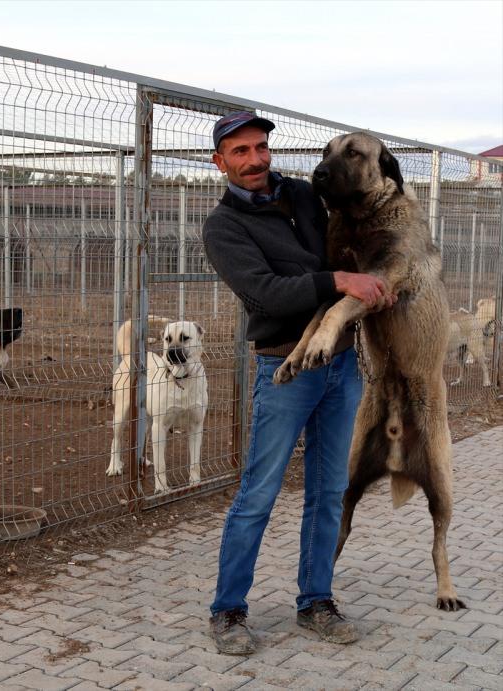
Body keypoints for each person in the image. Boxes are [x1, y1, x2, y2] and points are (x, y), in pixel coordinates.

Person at [202, 111, 395, 655]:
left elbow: (357, 225)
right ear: (220, 162)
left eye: (260, 147)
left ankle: (315, 601)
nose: (254, 159)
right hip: (285, 368)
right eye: (239, 152)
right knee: (258, 495)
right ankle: (228, 611)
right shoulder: (223, 227)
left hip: (340, 366)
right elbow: (266, 293)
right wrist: (338, 280)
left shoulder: (307, 196)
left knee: (329, 492)